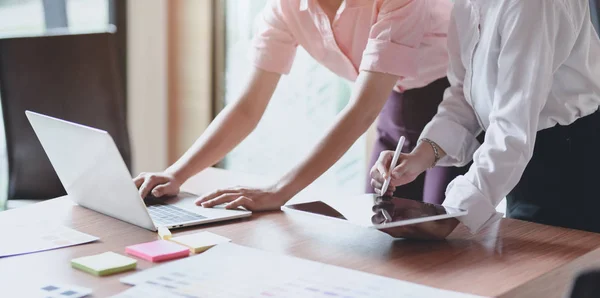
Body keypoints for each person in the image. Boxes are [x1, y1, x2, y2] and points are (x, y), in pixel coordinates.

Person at [134, 0, 460, 209]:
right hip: (392, 108)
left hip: (457, 110)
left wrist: (278, 191)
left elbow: (361, 109)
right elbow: (248, 106)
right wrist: (177, 174)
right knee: (382, 229)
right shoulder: (285, 9)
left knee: (442, 238)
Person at [370, 0, 600, 239]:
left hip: (571, 166)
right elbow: (465, 95)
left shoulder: (532, 5)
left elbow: (513, 126)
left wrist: (454, 214)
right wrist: (420, 156)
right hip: (521, 157)